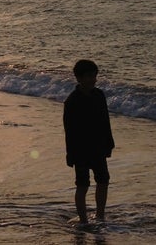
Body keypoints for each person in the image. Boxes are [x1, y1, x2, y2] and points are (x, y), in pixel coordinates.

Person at [63, 59, 115, 225]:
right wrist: (71, 154)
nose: (93, 79)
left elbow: (105, 121)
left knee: (103, 181)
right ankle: (83, 220)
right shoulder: (72, 101)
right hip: (80, 151)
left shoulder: (99, 95)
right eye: (88, 76)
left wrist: (109, 142)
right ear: (79, 78)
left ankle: (100, 216)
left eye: (94, 76)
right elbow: (69, 131)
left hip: (98, 147)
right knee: (82, 185)